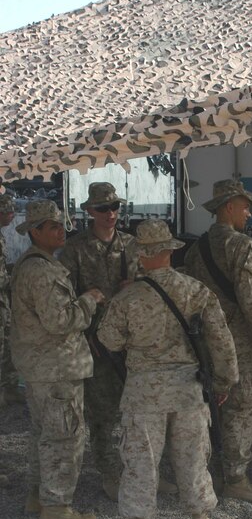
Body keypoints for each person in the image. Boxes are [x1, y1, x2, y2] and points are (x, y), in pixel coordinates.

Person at [97, 220, 238, 519]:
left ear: (142, 256)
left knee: (141, 459)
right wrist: (225, 380)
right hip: (188, 389)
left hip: (143, 392)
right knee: (192, 456)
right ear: (171, 251)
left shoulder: (128, 297)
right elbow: (221, 340)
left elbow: (109, 340)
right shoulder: (197, 291)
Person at [59, 182, 176, 501]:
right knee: (104, 412)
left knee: (141, 412)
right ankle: (111, 474)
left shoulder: (132, 244)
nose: (110, 214)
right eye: (102, 209)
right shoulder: (75, 249)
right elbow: (65, 297)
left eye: (114, 207)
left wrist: (136, 283)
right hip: (97, 342)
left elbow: (157, 281)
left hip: (134, 338)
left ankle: (143, 472)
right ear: (89, 211)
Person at [184, 179, 252, 506]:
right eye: (245, 206)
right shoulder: (242, 246)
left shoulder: (195, 248)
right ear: (228, 208)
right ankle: (237, 479)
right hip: (239, 342)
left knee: (212, 404)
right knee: (244, 406)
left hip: (204, 341)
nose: (249, 213)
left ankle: (208, 471)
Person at [10, 200, 104, 519]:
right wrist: (89, 301)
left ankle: (40, 496)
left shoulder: (34, 264)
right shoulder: (42, 270)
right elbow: (60, 321)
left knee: (46, 434)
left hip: (44, 368)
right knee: (65, 436)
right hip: (56, 368)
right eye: (51, 226)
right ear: (35, 232)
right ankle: (57, 506)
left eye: (60, 224)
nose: (60, 230)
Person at [0, 193, 25, 408]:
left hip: (3, 302)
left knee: (8, 343)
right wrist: (13, 279)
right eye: (8, 211)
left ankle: (9, 389)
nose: (12, 215)